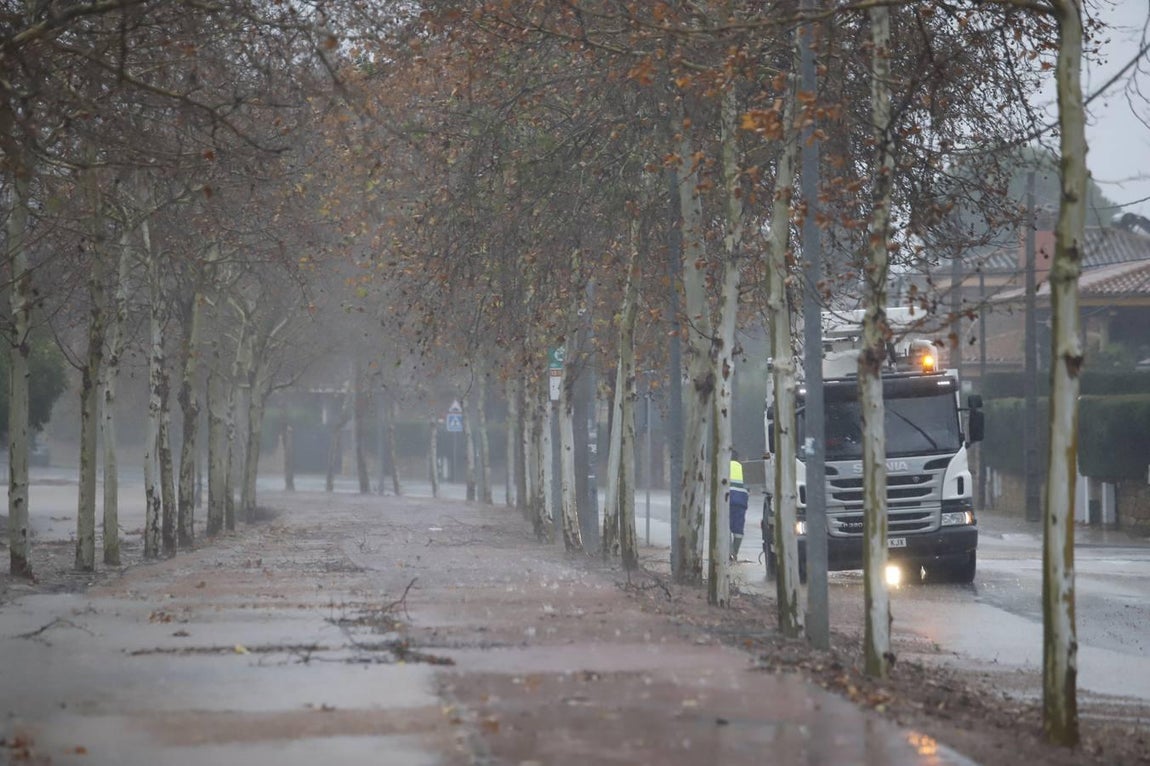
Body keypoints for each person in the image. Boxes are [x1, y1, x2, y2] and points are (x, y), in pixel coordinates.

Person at [729, 451, 749, 561]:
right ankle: (734, 554)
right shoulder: (744, 469)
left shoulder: (723, 466)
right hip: (741, 502)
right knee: (738, 531)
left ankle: (725, 553)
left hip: (727, 500)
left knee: (724, 528)